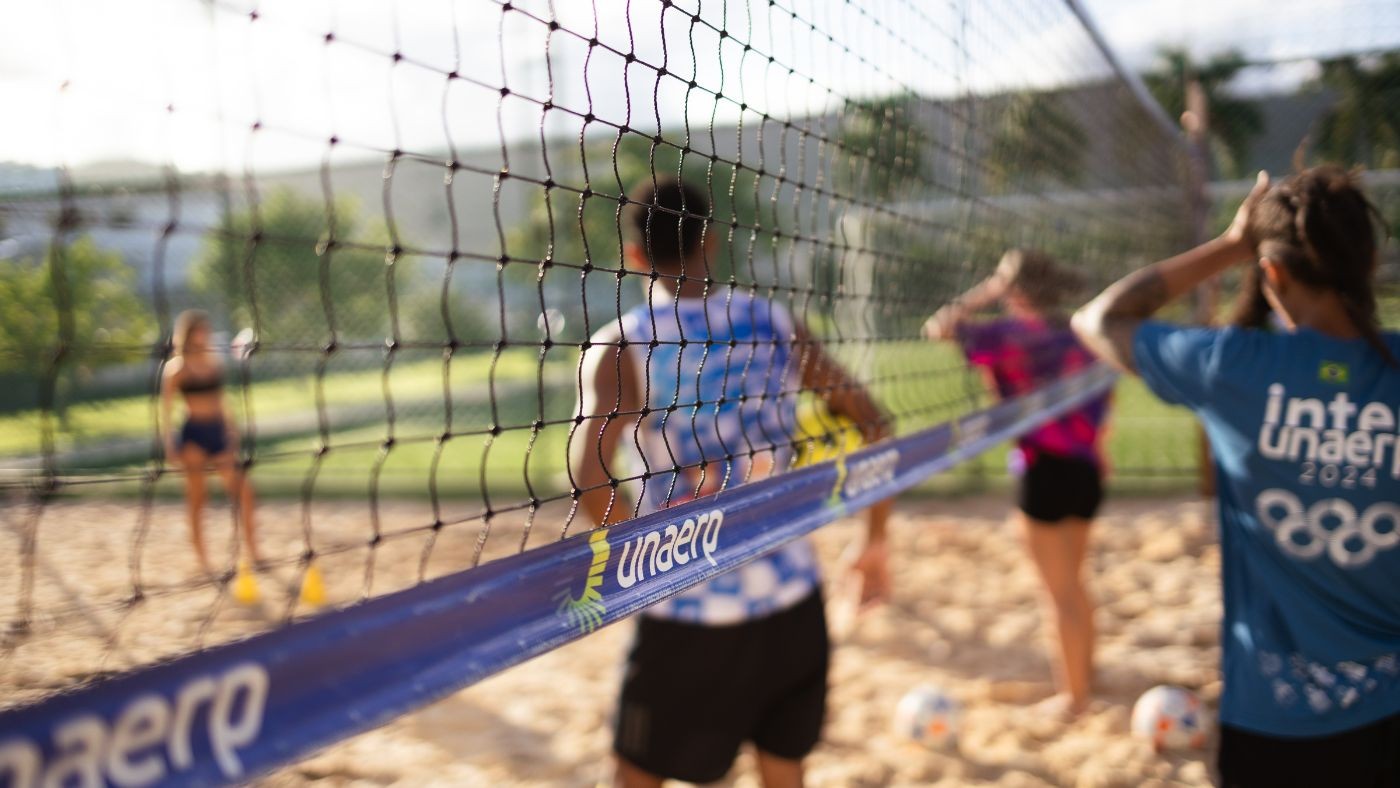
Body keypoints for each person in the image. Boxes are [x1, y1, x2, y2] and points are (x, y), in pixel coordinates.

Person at [1072, 166, 1400, 787]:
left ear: (1270, 272)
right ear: (1366, 262)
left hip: (1279, 723)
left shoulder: (1235, 367)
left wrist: (1229, 244)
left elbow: (1099, 319)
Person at [570, 176, 893, 788]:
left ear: (634, 255)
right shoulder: (776, 323)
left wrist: (644, 557)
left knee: (634, 776)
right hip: (794, 599)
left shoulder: (623, 343)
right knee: (784, 771)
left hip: (687, 612)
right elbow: (876, 423)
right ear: (711, 242)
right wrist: (873, 542)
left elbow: (587, 477)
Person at [923, 249, 1111, 718]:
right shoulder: (1081, 334)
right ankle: (1085, 673)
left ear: (1015, 291)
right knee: (1075, 584)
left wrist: (990, 288)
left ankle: (1074, 697)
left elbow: (939, 326)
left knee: (1058, 594)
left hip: (1041, 471)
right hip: (1086, 470)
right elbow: (1103, 404)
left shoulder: (1005, 335)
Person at [160, 310, 261, 575]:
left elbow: (222, 400)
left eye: (206, 330)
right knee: (197, 497)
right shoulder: (176, 368)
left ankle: (254, 551)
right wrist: (169, 445)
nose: (203, 335)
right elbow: (166, 410)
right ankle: (202, 559)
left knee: (243, 491)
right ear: (188, 333)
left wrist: (232, 432)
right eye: (198, 330)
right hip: (194, 434)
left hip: (217, 432)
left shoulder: (214, 362)